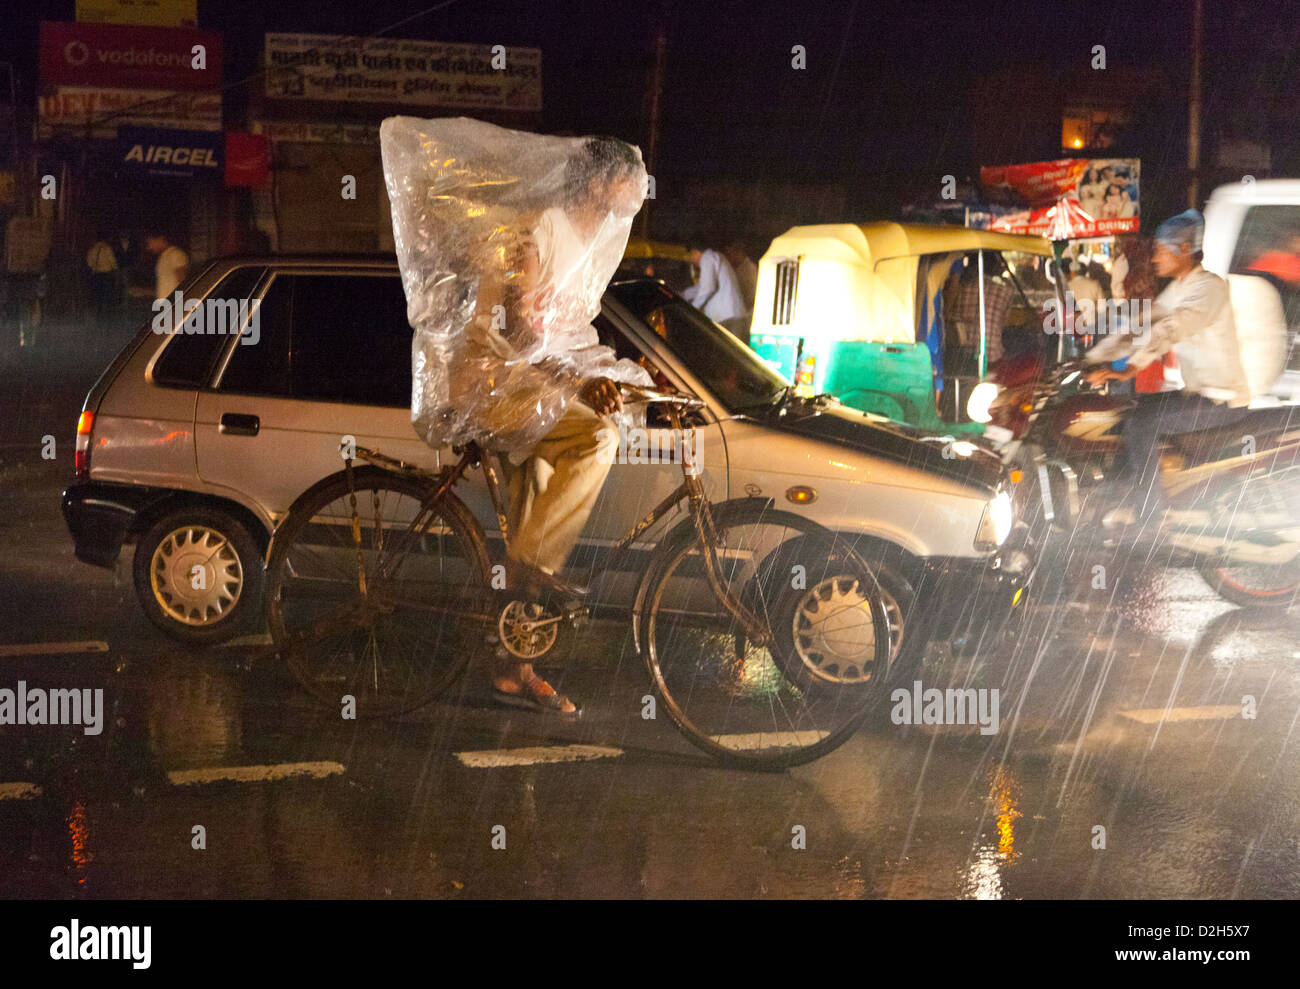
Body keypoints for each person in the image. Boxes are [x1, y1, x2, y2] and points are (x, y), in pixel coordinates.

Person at [467, 136, 651, 718]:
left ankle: (513, 670)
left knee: (532, 518)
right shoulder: (540, 230)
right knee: (598, 436)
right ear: (599, 185)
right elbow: (521, 333)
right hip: (502, 388)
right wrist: (578, 384)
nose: (637, 192)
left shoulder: (591, 242)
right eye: (628, 180)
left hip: (539, 393)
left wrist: (636, 383)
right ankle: (538, 571)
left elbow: (569, 335)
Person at [1084, 210, 1251, 526]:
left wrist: (1129, 368)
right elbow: (1144, 324)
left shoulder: (1208, 288)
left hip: (1221, 401)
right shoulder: (1180, 288)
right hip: (1196, 395)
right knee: (1127, 409)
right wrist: (1093, 358)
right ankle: (1129, 490)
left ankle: (1149, 519)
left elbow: (1169, 328)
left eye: (1160, 249)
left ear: (1184, 250)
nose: (1155, 257)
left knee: (1140, 425)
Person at [682, 239, 749, 342]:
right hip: (733, 316)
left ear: (695, 252)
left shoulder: (707, 258)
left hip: (728, 319)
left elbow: (708, 288)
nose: (691, 259)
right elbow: (702, 287)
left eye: (691, 255)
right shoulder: (716, 257)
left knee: (727, 355)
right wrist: (684, 295)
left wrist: (691, 309)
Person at [85, 232, 118, 326]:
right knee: (108, 296)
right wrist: (115, 270)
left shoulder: (92, 249)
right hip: (107, 275)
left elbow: (89, 263)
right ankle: (107, 317)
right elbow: (112, 261)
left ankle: (99, 316)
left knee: (98, 296)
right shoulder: (107, 248)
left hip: (97, 275)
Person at [144, 231, 188, 301]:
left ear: (160, 239)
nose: (149, 247)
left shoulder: (176, 254)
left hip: (174, 304)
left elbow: (182, 283)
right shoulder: (162, 257)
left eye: (150, 243)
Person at [722, 239, 758, 314]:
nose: (727, 258)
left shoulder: (748, 269)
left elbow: (751, 298)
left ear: (737, 253)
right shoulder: (739, 269)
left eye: (729, 254)